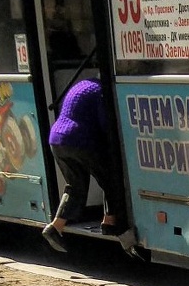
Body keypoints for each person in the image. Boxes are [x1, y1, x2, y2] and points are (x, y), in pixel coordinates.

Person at [41, 78, 126, 253]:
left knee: (75, 185)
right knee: (109, 178)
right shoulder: (102, 91)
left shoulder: (81, 85)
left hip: (57, 138)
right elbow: (105, 123)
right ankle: (109, 222)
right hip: (80, 139)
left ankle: (55, 227)